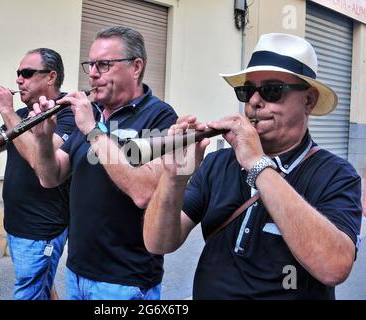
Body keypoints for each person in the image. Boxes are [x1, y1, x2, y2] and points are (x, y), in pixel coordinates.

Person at [143, 33, 362, 299]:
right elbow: (158, 242)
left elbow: (334, 267)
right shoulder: (217, 164)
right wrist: (173, 178)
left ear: (309, 100)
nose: (254, 102)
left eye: (272, 90)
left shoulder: (337, 174)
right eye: (247, 91)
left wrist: (258, 164)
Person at [30, 26, 178, 300]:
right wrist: (43, 139)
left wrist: (93, 131)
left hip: (125, 280)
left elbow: (143, 192)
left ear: (136, 67)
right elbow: (51, 177)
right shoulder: (93, 112)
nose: (93, 73)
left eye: (104, 65)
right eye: (91, 64)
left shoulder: (160, 117)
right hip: (76, 271)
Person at [0, 48, 74, 300]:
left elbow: (40, 159)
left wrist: (7, 111)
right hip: (18, 225)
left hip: (43, 227)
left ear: (51, 77)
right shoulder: (23, 116)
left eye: (26, 73)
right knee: (41, 286)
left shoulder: (68, 112)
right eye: (18, 73)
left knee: (29, 292)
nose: (18, 80)